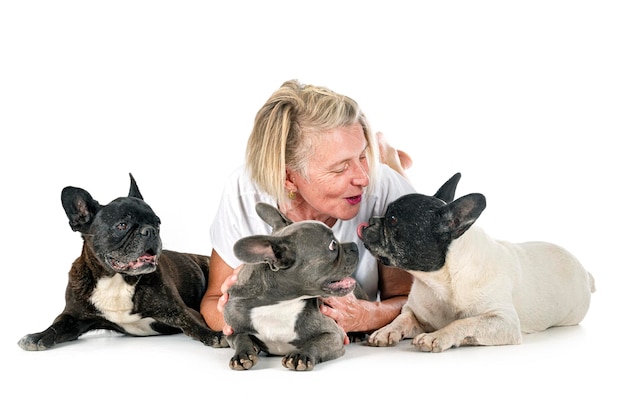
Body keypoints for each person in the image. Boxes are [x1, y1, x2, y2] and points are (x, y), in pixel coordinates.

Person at [200, 79, 416, 339]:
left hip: (396, 191)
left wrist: (366, 315)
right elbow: (212, 303)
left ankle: (389, 159)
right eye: (339, 168)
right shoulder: (243, 192)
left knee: (409, 199)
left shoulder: (382, 190)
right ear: (288, 177)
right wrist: (235, 314)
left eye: (362, 155)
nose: (363, 178)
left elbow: (411, 301)